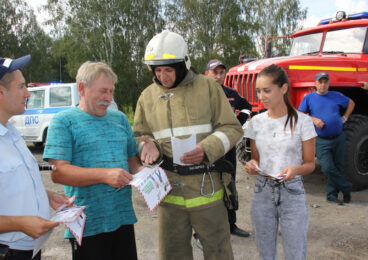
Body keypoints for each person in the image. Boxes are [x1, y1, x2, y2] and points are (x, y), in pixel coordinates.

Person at [133, 30, 243, 260]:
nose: (163, 76)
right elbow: (139, 135)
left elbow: (231, 128)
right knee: (172, 254)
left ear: (183, 65)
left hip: (207, 190)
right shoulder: (147, 96)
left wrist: (207, 148)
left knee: (219, 253)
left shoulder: (209, 88)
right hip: (169, 194)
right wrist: (146, 146)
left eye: (168, 69)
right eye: (158, 70)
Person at [0, 55, 71, 260]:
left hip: (27, 252)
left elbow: (6, 184)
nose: (27, 93)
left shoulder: (9, 131)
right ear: (0, 91)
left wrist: (48, 195)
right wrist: (19, 223)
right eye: (22, 86)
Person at [43, 61, 143, 260]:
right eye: (102, 91)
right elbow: (58, 172)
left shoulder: (120, 119)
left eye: (111, 91)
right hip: (87, 225)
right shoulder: (64, 121)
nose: (108, 98)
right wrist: (104, 175)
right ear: (82, 88)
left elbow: (133, 162)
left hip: (123, 219)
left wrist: (148, 176)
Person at [244, 64, 316, 260]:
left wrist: (296, 169)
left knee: (295, 253)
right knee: (265, 253)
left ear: (283, 88)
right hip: (262, 192)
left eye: (267, 90)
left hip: (292, 192)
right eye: (258, 91)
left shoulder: (303, 122)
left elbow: (310, 164)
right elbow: (256, 158)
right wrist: (252, 165)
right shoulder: (256, 122)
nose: (261, 96)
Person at [204, 59, 251, 237]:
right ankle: (207, 229)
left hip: (228, 147)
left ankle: (231, 225)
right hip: (207, 148)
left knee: (229, 184)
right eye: (214, 72)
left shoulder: (231, 93)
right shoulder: (200, 95)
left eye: (221, 72)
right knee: (208, 185)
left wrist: (237, 125)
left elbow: (246, 107)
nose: (218, 76)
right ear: (206, 74)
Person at [298, 72, 354, 204]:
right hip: (321, 140)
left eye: (325, 82)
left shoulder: (336, 96)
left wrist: (345, 117)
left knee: (338, 167)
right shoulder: (309, 98)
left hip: (339, 137)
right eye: (320, 82)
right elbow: (300, 114)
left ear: (328, 84)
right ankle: (346, 188)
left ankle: (332, 195)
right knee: (328, 168)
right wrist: (314, 119)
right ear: (315, 84)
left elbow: (351, 103)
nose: (323, 85)